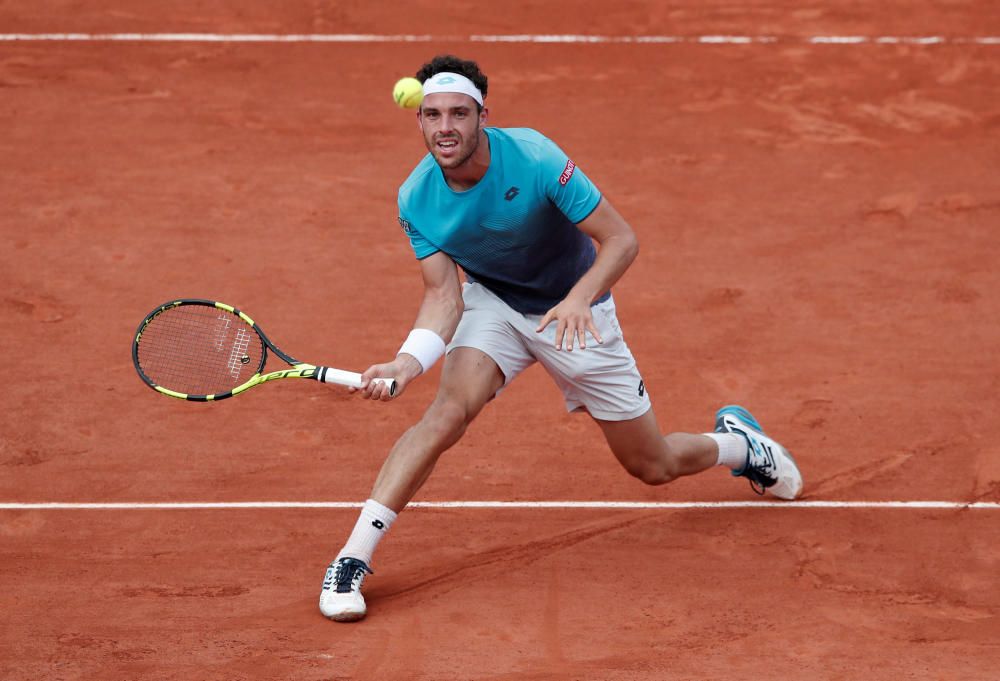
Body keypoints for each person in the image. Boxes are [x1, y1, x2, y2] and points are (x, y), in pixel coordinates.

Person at [319, 54, 803, 622]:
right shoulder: (415, 198)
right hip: (496, 306)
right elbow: (445, 297)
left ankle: (741, 446)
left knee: (653, 465)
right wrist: (407, 362)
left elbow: (620, 240)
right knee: (445, 415)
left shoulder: (535, 157)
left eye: (458, 113)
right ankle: (352, 557)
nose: (444, 127)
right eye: (431, 115)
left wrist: (578, 298)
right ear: (419, 121)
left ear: (482, 117)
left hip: (578, 316)